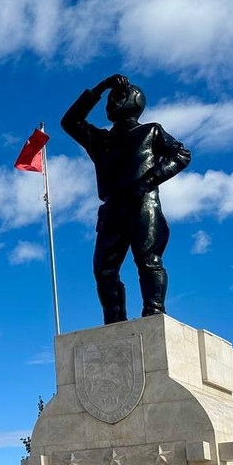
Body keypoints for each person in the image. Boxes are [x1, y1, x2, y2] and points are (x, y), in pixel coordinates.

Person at [61, 74, 191, 324]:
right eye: (109, 99)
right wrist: (100, 87)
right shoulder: (101, 139)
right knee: (104, 270)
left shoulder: (150, 131)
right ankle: (114, 320)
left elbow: (181, 155)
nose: (111, 103)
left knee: (148, 261)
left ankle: (154, 312)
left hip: (143, 205)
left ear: (134, 101)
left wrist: (148, 181)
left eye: (118, 97)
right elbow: (70, 121)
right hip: (111, 209)